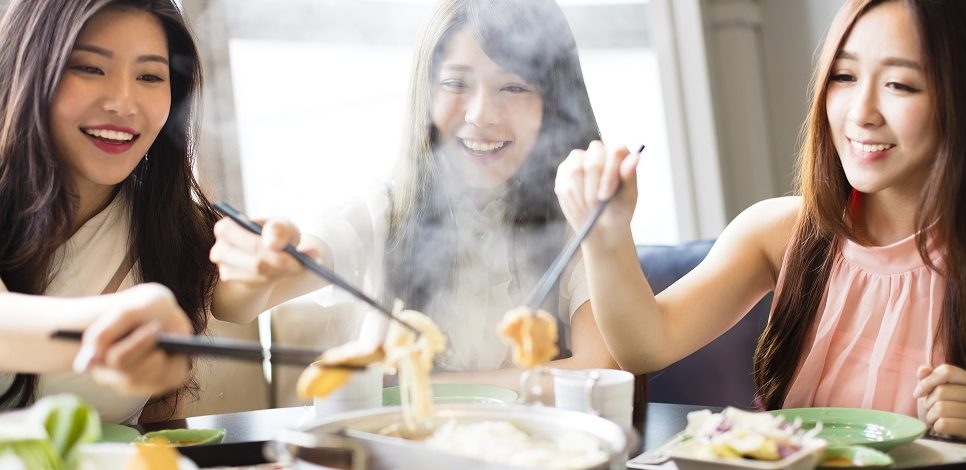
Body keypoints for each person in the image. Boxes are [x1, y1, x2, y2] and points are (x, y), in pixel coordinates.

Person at [555, 0, 966, 438]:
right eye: (844, 76)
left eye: (900, 85)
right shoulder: (782, 233)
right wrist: (607, 237)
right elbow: (647, 345)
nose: (861, 112)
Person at [210, 0, 617, 387]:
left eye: (512, 88)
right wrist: (258, 265)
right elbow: (234, 306)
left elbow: (599, 366)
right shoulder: (385, 211)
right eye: (456, 83)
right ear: (426, 93)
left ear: (557, 103)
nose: (480, 115)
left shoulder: (577, 216)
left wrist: (430, 387)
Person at [0, 0, 218, 424]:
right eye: (89, 68)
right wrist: (114, 322)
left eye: (150, 76)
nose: (123, 102)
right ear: (28, 68)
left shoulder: (177, 234)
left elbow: (158, 438)